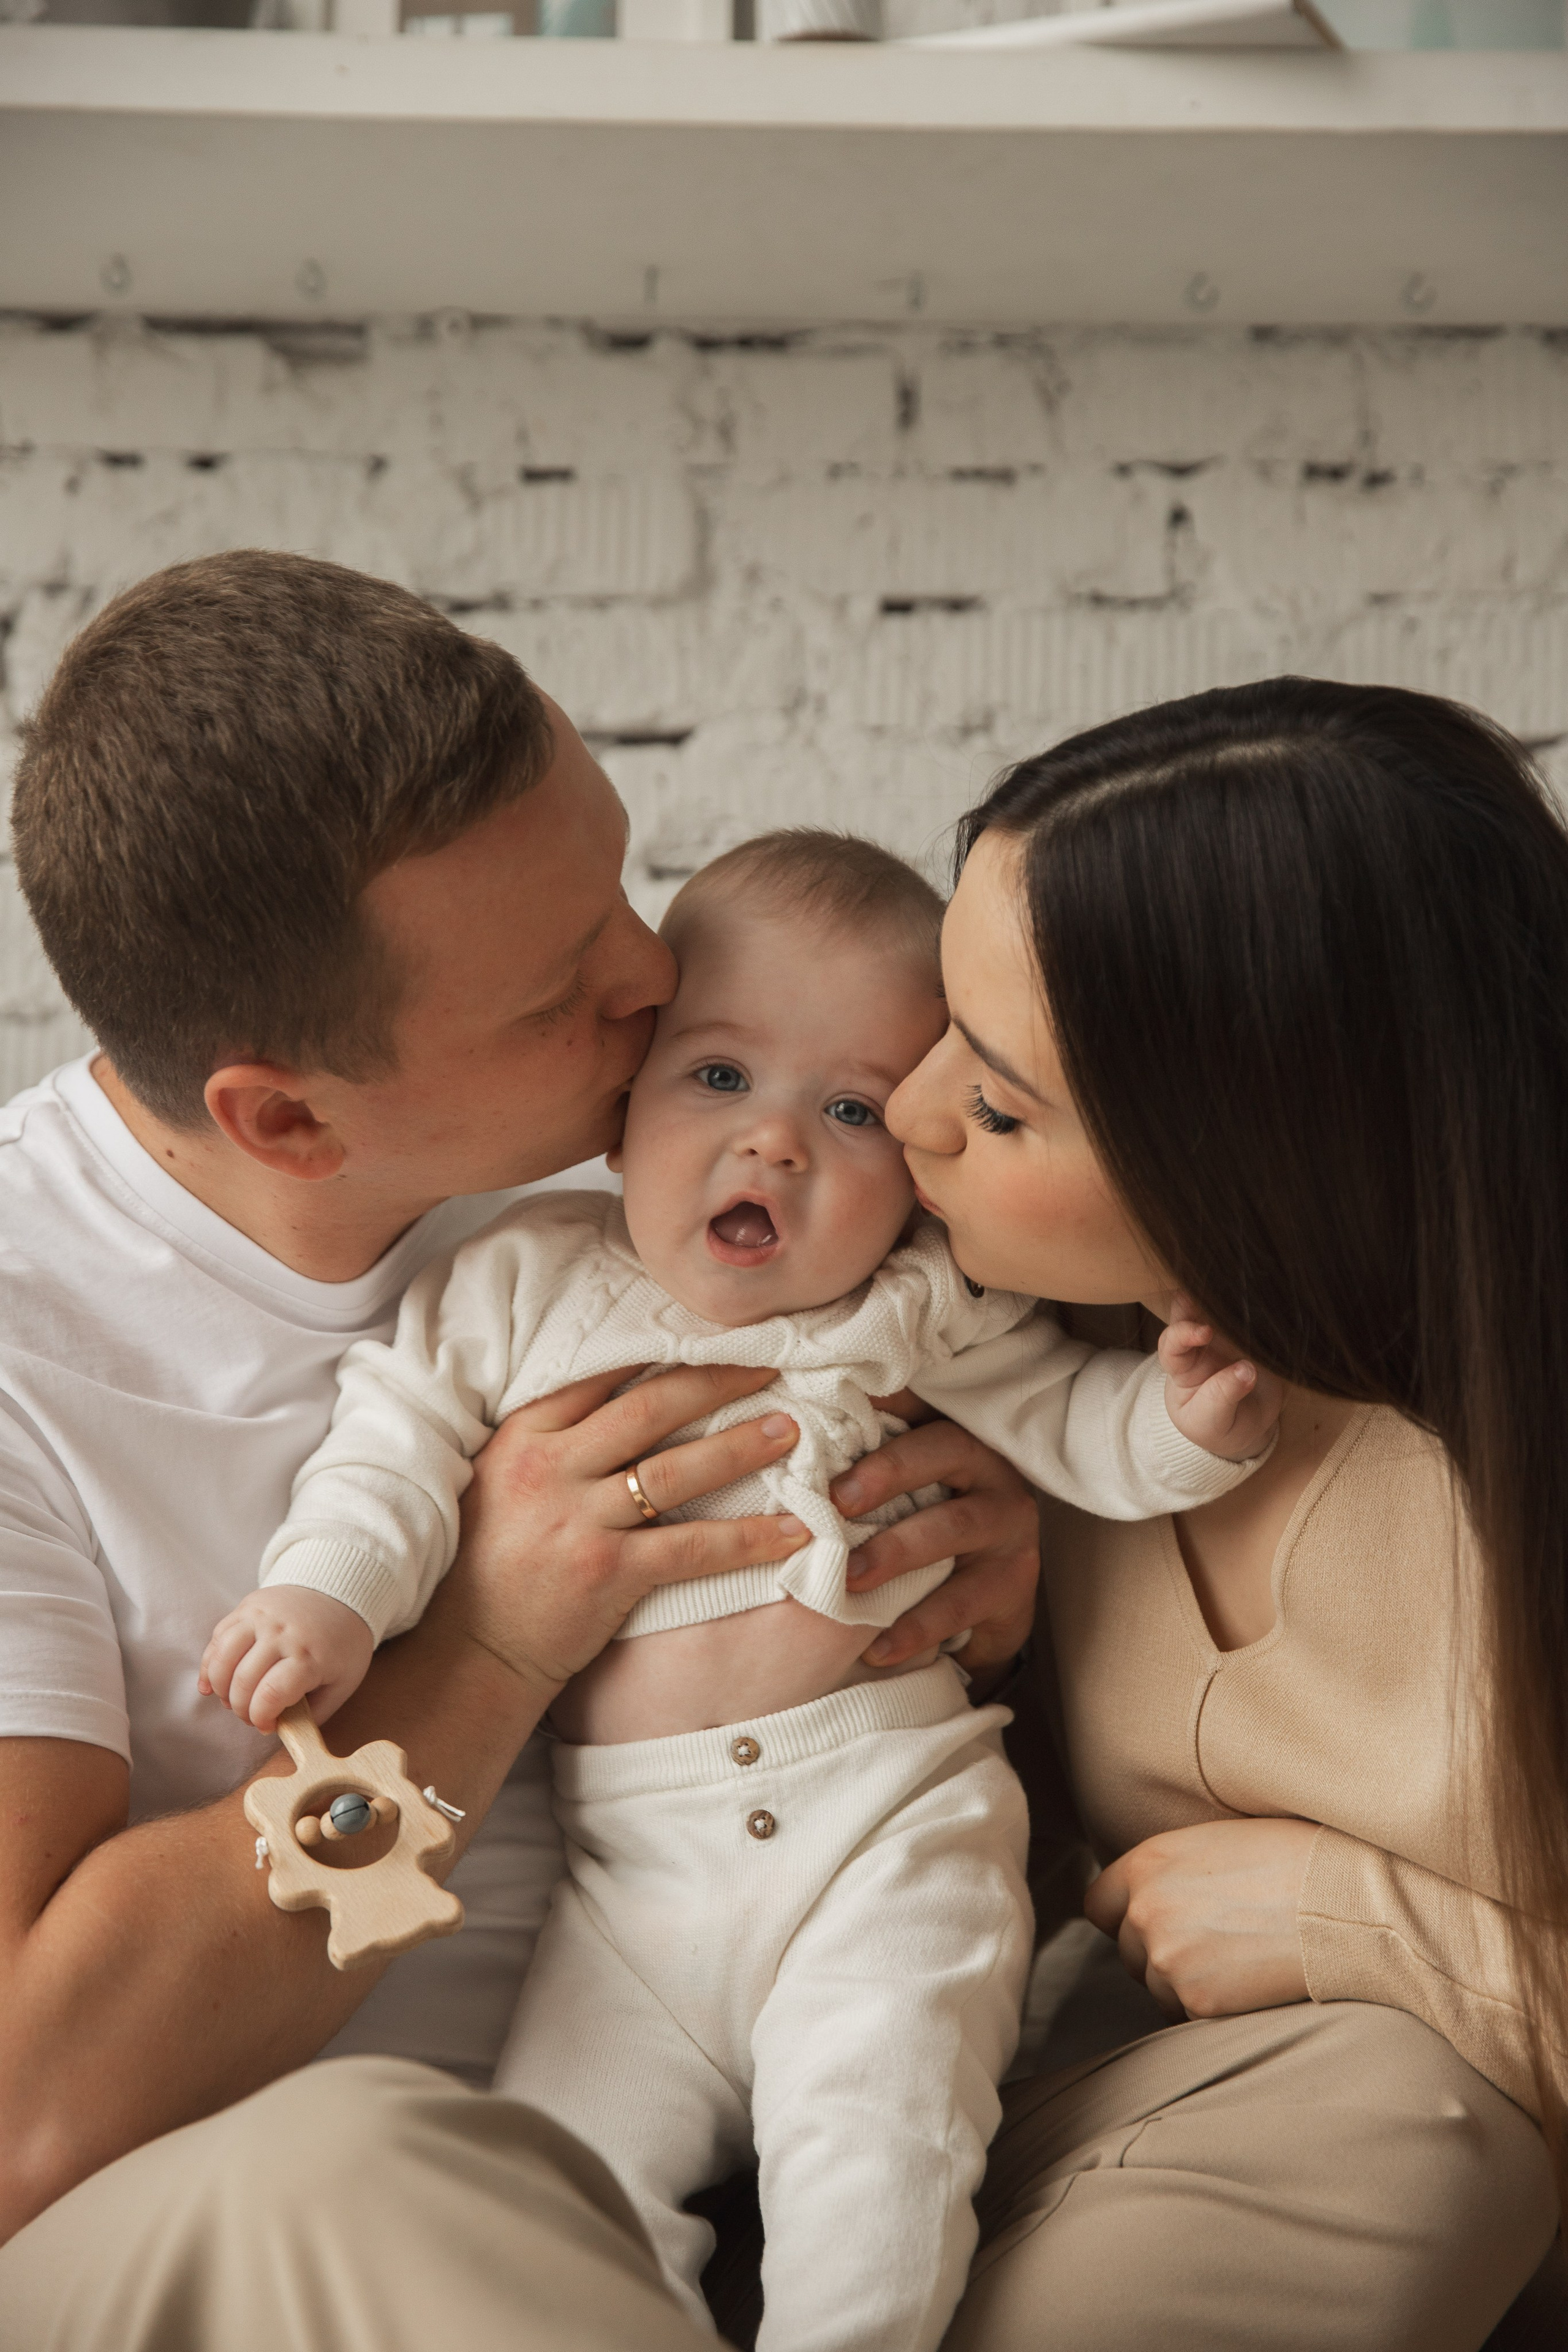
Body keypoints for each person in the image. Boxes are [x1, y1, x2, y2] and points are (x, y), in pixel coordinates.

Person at [0, 552, 1043, 2351]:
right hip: (266, 2210)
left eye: (619, 885)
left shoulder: (651, 1173)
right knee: (369, 2164)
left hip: (761, 2044)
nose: (656, 975)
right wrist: (483, 1655)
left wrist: (995, 1563)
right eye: (562, 987)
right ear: (285, 1118)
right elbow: (30, 2103)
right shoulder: (30, 1345)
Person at [202, 828, 1277, 2352]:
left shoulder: (919, 1303)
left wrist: (1188, 1422)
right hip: (629, 1888)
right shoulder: (517, 1282)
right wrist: (327, 1597)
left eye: (849, 1110)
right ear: (619, 1114)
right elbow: (390, 1451)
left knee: (876, 2163)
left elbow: (1075, 1428)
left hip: (884, 1826)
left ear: (913, 1166)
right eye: (718, 1076)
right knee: (554, 2197)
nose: (772, 1143)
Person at [881, 677, 1567, 2352]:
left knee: (1401, 2120)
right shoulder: (1015, 1375)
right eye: (938, 1028)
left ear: (1249, 1149)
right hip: (990, 2155)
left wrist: (1359, 1928)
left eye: (997, 1105)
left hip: (1348, 2214)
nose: (904, 1115)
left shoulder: (1501, 1477)